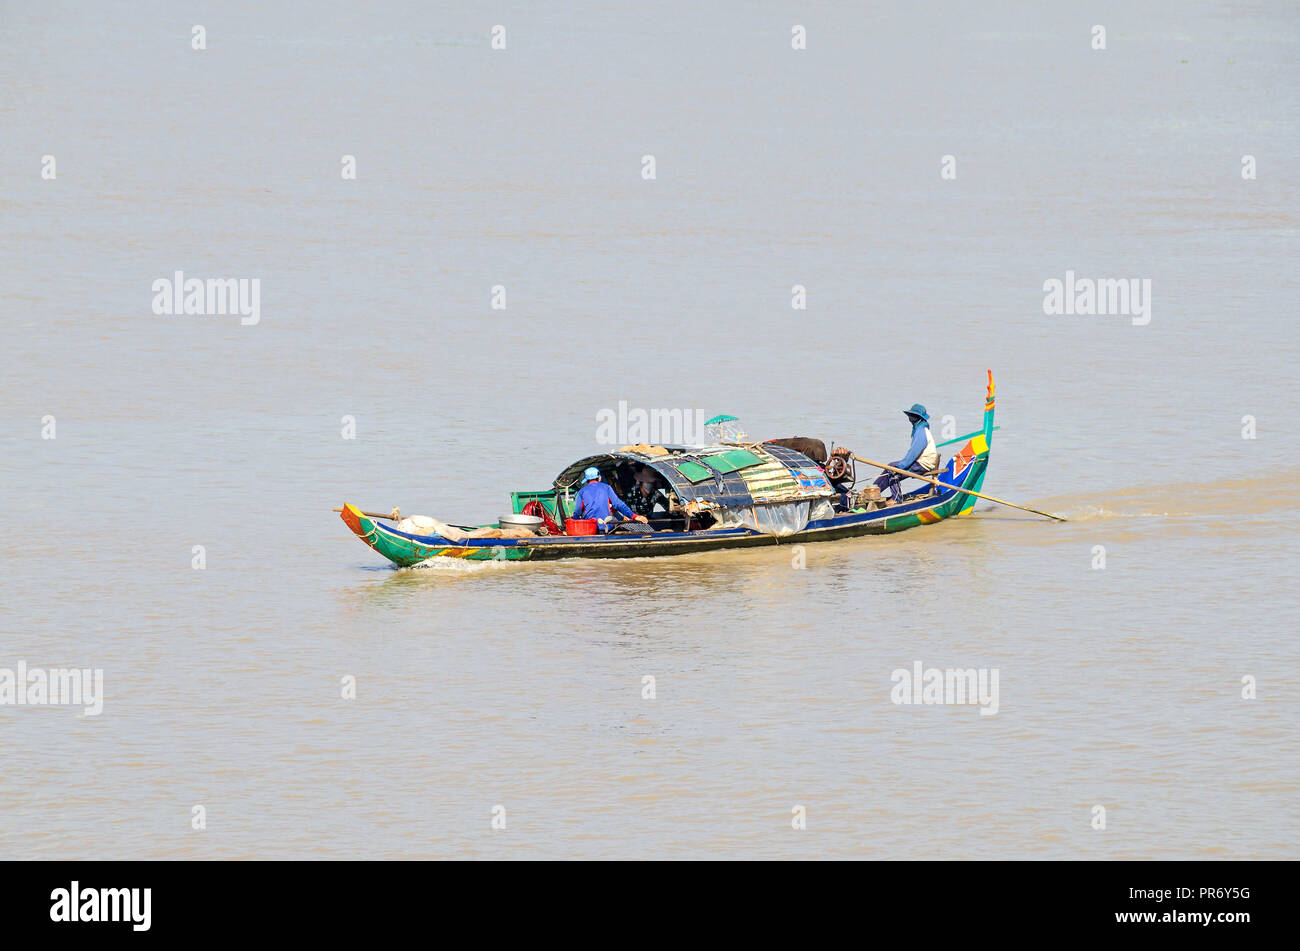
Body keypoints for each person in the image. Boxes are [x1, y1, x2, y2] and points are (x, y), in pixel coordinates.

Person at [835, 403, 939, 502]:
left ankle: (896, 498)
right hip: (921, 462)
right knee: (890, 467)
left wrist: (901, 466)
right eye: (910, 415)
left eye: (913, 415)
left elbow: (914, 452)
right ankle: (872, 491)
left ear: (918, 418)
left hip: (923, 464)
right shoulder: (919, 428)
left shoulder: (921, 430)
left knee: (893, 470)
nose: (910, 418)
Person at [573, 466, 648, 532]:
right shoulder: (607, 487)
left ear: (586, 480)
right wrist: (634, 516)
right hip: (606, 527)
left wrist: (575, 526)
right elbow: (618, 504)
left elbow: (577, 512)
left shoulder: (581, 491)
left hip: (589, 528)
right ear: (599, 478)